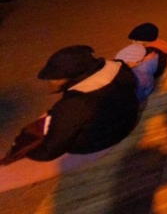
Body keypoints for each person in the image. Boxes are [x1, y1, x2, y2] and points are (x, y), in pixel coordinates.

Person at [0, 45, 138, 192]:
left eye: (54, 78)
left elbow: (50, 151)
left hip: (101, 140)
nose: (51, 82)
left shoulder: (73, 105)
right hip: (127, 119)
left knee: (39, 136)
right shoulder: (119, 68)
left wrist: (30, 152)